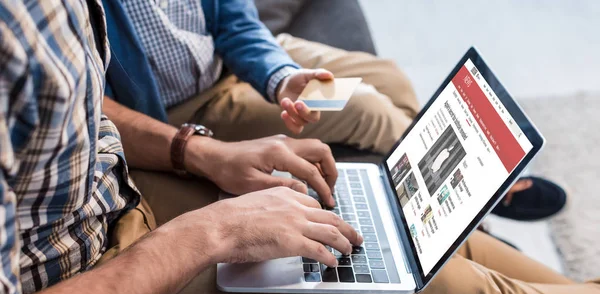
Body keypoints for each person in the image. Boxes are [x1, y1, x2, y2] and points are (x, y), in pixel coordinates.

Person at [2, 1, 598, 294]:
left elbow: (83, 107)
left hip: (116, 201)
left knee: (400, 222)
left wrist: (197, 153)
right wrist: (206, 234)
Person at [101, 0, 566, 222]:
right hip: (182, 108)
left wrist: (280, 76)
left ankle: (431, 192)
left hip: (236, 63)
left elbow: (234, 20)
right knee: (369, 109)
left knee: (387, 77)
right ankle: (466, 209)